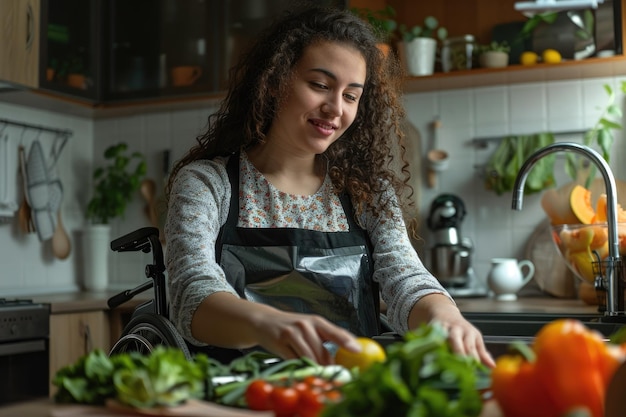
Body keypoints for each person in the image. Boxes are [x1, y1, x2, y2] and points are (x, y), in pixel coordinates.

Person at [164, 4, 495, 368]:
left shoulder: (366, 193)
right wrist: (266, 324)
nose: (336, 108)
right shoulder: (208, 184)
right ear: (275, 82)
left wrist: (445, 317)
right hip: (237, 394)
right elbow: (191, 293)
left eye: (351, 96)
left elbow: (406, 279)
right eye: (320, 85)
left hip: (347, 394)